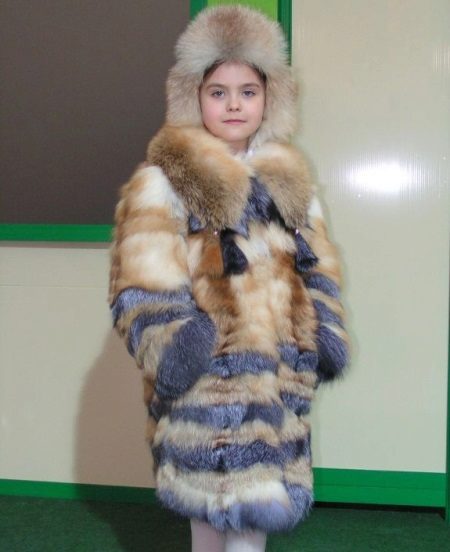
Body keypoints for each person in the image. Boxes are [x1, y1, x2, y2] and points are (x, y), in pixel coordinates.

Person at [108, 5, 349, 552]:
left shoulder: (291, 183)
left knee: (252, 527)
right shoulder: (164, 181)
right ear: (193, 96)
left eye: (248, 91)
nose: (234, 104)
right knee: (209, 526)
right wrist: (182, 349)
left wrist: (325, 333)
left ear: (271, 98)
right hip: (205, 390)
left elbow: (318, 266)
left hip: (277, 386)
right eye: (218, 92)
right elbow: (141, 285)